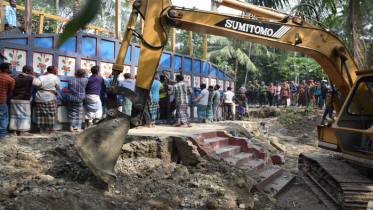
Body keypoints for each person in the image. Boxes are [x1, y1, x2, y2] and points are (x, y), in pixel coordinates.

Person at [9, 65, 41, 136]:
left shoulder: (15, 77)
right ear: (26, 71)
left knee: (14, 115)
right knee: (25, 115)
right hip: (24, 99)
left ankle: (15, 131)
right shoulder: (30, 78)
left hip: (14, 99)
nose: (32, 72)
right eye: (31, 71)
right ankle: (23, 132)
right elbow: (38, 83)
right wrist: (35, 76)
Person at [34, 66, 61, 134]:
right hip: (49, 97)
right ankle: (51, 129)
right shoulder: (55, 78)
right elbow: (59, 87)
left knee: (40, 114)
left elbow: (37, 86)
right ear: (54, 71)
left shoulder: (41, 77)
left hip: (39, 97)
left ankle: (41, 129)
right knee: (51, 114)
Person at [0, 62, 15, 139]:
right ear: (6, 69)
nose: (11, 69)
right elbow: (10, 93)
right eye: (10, 68)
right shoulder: (10, 79)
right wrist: (8, 100)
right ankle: (2, 134)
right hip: (2, 100)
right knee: (4, 117)